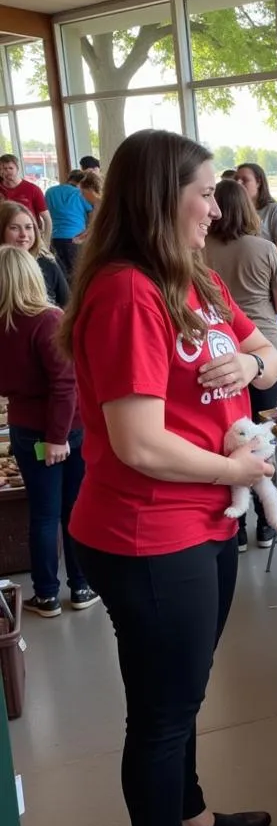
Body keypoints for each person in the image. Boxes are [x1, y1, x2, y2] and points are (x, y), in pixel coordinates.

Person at [59, 129, 277, 826]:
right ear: (162, 198)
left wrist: (249, 369)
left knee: (182, 695)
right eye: (205, 190)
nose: (218, 205)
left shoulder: (191, 278)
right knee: (161, 712)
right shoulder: (127, 292)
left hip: (200, 529)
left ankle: (188, 819)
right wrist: (239, 473)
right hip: (149, 536)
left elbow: (270, 351)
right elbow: (137, 442)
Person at [0, 245, 97, 618]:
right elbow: (65, 384)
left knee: (42, 515)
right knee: (72, 510)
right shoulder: (49, 320)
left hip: (26, 428)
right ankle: (82, 585)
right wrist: (57, 437)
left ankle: (46, 594)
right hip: (65, 431)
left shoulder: (6, 324)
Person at [205, 179, 277, 551]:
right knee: (260, 440)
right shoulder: (264, 248)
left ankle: (235, 527)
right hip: (264, 348)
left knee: (227, 439)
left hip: (218, 353)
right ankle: (267, 525)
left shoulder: (199, 252)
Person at [233, 163, 277, 335]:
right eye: (236, 179)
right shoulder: (240, 213)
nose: (239, 183)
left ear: (259, 182)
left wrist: (255, 264)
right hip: (259, 285)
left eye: (245, 180)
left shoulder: (276, 211)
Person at [0, 201, 68, 306]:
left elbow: (67, 303)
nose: (23, 234)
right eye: (14, 228)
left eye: (28, 227)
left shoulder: (47, 263)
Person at [44, 171, 93, 278]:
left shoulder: (50, 192)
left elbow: (45, 214)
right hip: (76, 238)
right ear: (82, 182)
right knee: (76, 274)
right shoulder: (80, 193)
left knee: (60, 273)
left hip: (54, 237)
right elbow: (92, 214)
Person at [0, 154, 51, 245]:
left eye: (10, 168)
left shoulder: (33, 189)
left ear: (17, 168)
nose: (7, 171)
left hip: (29, 239)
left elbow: (47, 219)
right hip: (4, 240)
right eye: (3, 169)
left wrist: (46, 243)